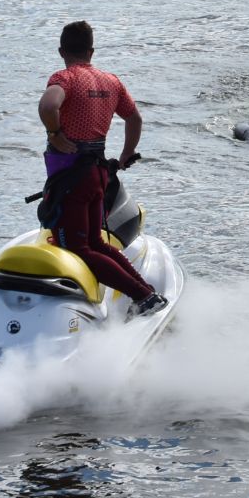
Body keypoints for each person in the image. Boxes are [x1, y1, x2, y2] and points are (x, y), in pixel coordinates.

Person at [36, 20, 165, 315]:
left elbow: (48, 106)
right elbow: (134, 118)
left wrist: (55, 133)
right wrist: (126, 153)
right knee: (96, 242)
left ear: (61, 51)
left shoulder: (65, 78)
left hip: (71, 178)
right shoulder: (111, 81)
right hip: (97, 174)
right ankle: (147, 294)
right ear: (91, 51)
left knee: (79, 249)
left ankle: (143, 297)